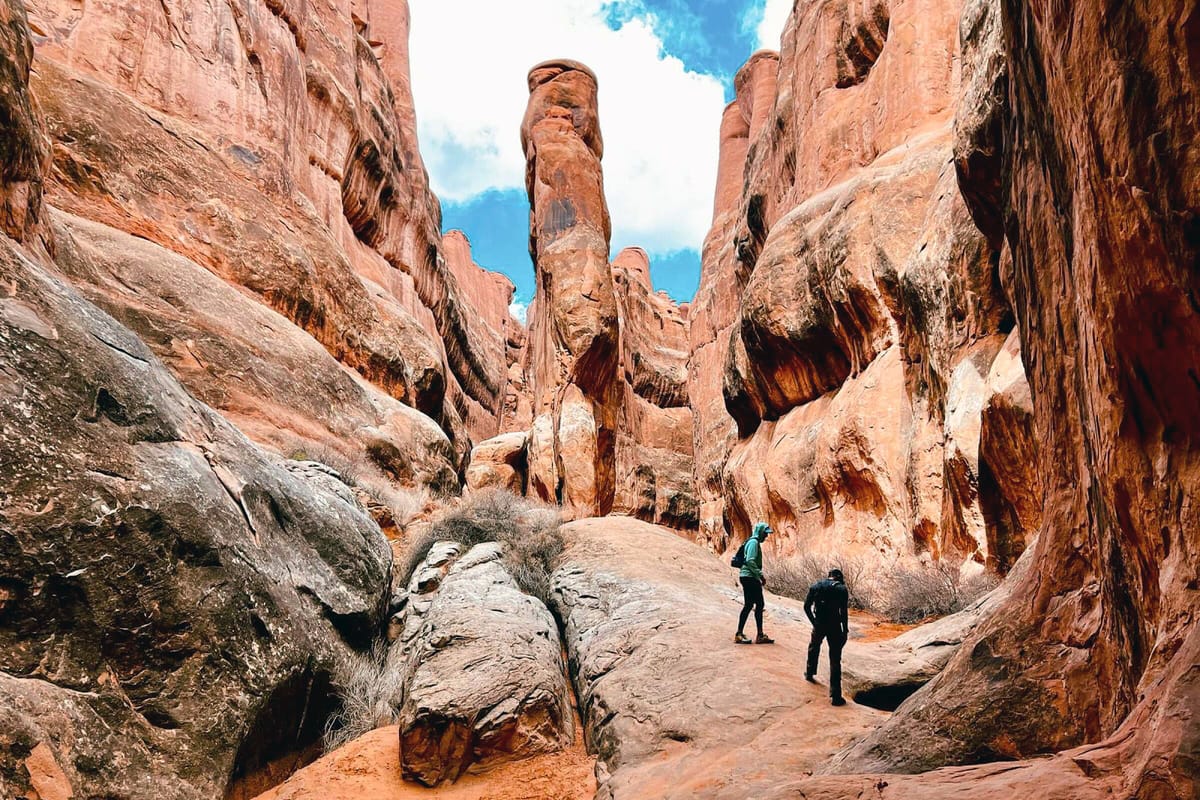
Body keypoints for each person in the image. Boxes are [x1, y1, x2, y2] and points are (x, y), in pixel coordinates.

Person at [804, 568, 849, 705]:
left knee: (814, 646)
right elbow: (843, 611)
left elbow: (806, 607)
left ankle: (810, 672)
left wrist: (814, 623)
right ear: (839, 578)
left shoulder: (816, 586)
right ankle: (835, 696)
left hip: (819, 623)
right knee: (835, 658)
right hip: (834, 625)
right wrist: (845, 630)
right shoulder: (841, 589)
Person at [735, 522, 775, 644]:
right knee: (754, 605)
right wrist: (760, 575)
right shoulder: (753, 543)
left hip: (748, 576)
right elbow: (750, 561)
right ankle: (745, 634)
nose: (766, 536)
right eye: (765, 533)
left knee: (753, 604)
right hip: (750, 577)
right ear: (760, 532)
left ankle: (753, 634)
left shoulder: (752, 541)